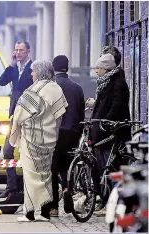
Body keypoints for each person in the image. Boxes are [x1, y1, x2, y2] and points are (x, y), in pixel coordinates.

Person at [9, 60, 68, 222]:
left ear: (40, 72)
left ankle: (29, 212)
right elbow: (60, 115)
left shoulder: (32, 91)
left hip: (31, 139)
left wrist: (13, 136)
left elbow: (19, 115)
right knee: (46, 175)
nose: (31, 74)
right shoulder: (56, 89)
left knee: (30, 175)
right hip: (49, 139)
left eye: (33, 71)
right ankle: (44, 212)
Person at [88, 51, 130, 216]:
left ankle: (111, 203)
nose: (96, 70)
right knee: (102, 168)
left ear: (105, 69)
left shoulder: (117, 83)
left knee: (111, 168)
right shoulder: (105, 82)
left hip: (112, 133)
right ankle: (105, 201)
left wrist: (105, 122)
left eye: (98, 67)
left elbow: (116, 107)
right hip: (102, 132)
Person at [49, 55, 85, 216]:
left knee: (52, 168)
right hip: (72, 132)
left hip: (54, 133)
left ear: (53, 68)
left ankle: (54, 206)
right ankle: (66, 188)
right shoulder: (77, 88)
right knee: (67, 166)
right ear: (67, 67)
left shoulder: (51, 86)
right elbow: (81, 114)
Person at [0, 39, 33, 199]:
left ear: (28, 52)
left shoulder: (33, 69)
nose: (18, 53)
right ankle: (11, 188)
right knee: (7, 151)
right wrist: (11, 64)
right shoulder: (14, 69)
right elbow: (1, 81)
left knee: (27, 152)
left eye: (21, 50)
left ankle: (26, 189)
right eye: (16, 50)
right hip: (14, 115)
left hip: (28, 115)